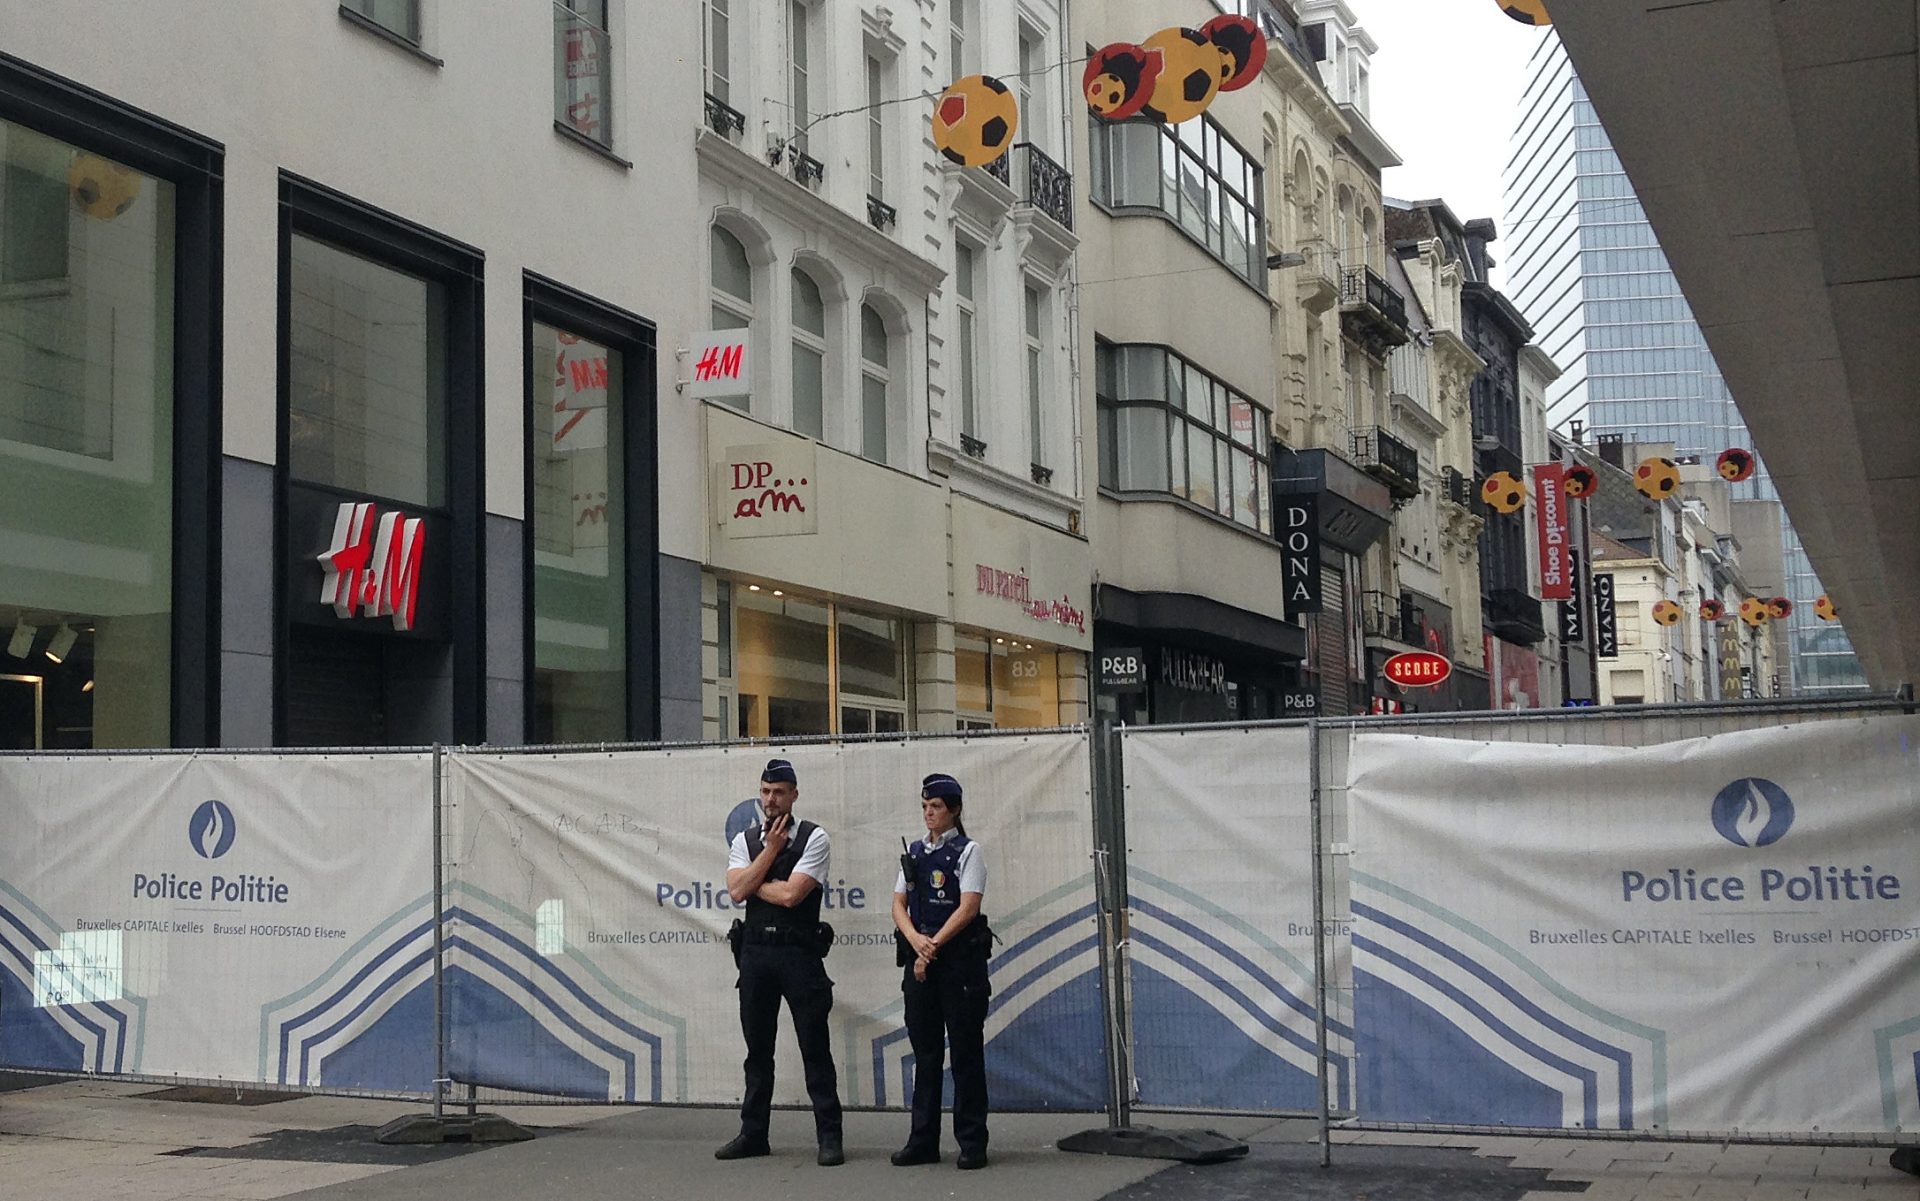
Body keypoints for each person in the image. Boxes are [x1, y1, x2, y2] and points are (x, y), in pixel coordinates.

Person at [715, 758, 844, 1167]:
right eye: (766, 791)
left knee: (814, 1048)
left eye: (779, 792)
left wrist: (757, 880)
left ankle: (829, 1137)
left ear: (794, 795)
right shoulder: (746, 839)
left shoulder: (814, 837)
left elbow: (792, 896)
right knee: (757, 1051)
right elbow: (736, 892)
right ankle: (753, 1134)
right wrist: (769, 853)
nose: (771, 799)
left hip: (798, 955)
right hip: (755, 956)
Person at [890, 772, 991, 1170]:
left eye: (936, 807)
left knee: (965, 1052)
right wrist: (916, 940)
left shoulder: (969, 852)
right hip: (920, 962)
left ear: (954, 810)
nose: (929, 814)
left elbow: (968, 907)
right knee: (925, 1053)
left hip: (957, 965)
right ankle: (922, 1140)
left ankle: (971, 1141)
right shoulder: (914, 852)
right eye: (925, 807)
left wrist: (931, 946)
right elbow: (898, 903)